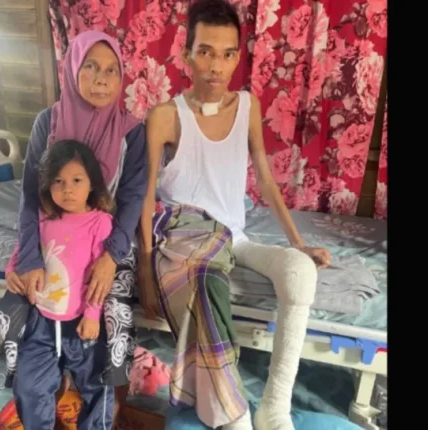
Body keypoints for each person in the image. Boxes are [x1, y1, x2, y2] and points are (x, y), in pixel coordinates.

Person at [137, 1, 331, 429]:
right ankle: (232, 414)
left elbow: (265, 180)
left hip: (233, 237)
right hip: (186, 240)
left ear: (237, 57)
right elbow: (145, 195)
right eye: (205, 52)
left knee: (300, 271)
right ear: (187, 54)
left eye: (227, 54)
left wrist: (299, 245)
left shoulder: (248, 106)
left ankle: (274, 409)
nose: (216, 67)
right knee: (206, 278)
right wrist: (146, 269)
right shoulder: (165, 117)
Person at [0, 30, 147, 425]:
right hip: (51, 236)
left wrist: (111, 258)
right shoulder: (49, 121)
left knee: (112, 330)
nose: (101, 80)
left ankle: (107, 407)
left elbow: (132, 199)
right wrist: (28, 260)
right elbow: (31, 195)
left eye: (111, 71)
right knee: (25, 313)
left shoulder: (131, 132)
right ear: (73, 68)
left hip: (108, 239)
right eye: (91, 67)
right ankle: (42, 387)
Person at [7, 139, 115, 429]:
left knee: (98, 387)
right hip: (41, 322)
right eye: (58, 181)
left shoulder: (100, 223)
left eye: (76, 180)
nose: (67, 189)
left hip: (82, 324)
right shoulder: (43, 218)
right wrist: (11, 270)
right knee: (28, 387)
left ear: (91, 183)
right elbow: (22, 249)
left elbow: (100, 277)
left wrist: (92, 314)